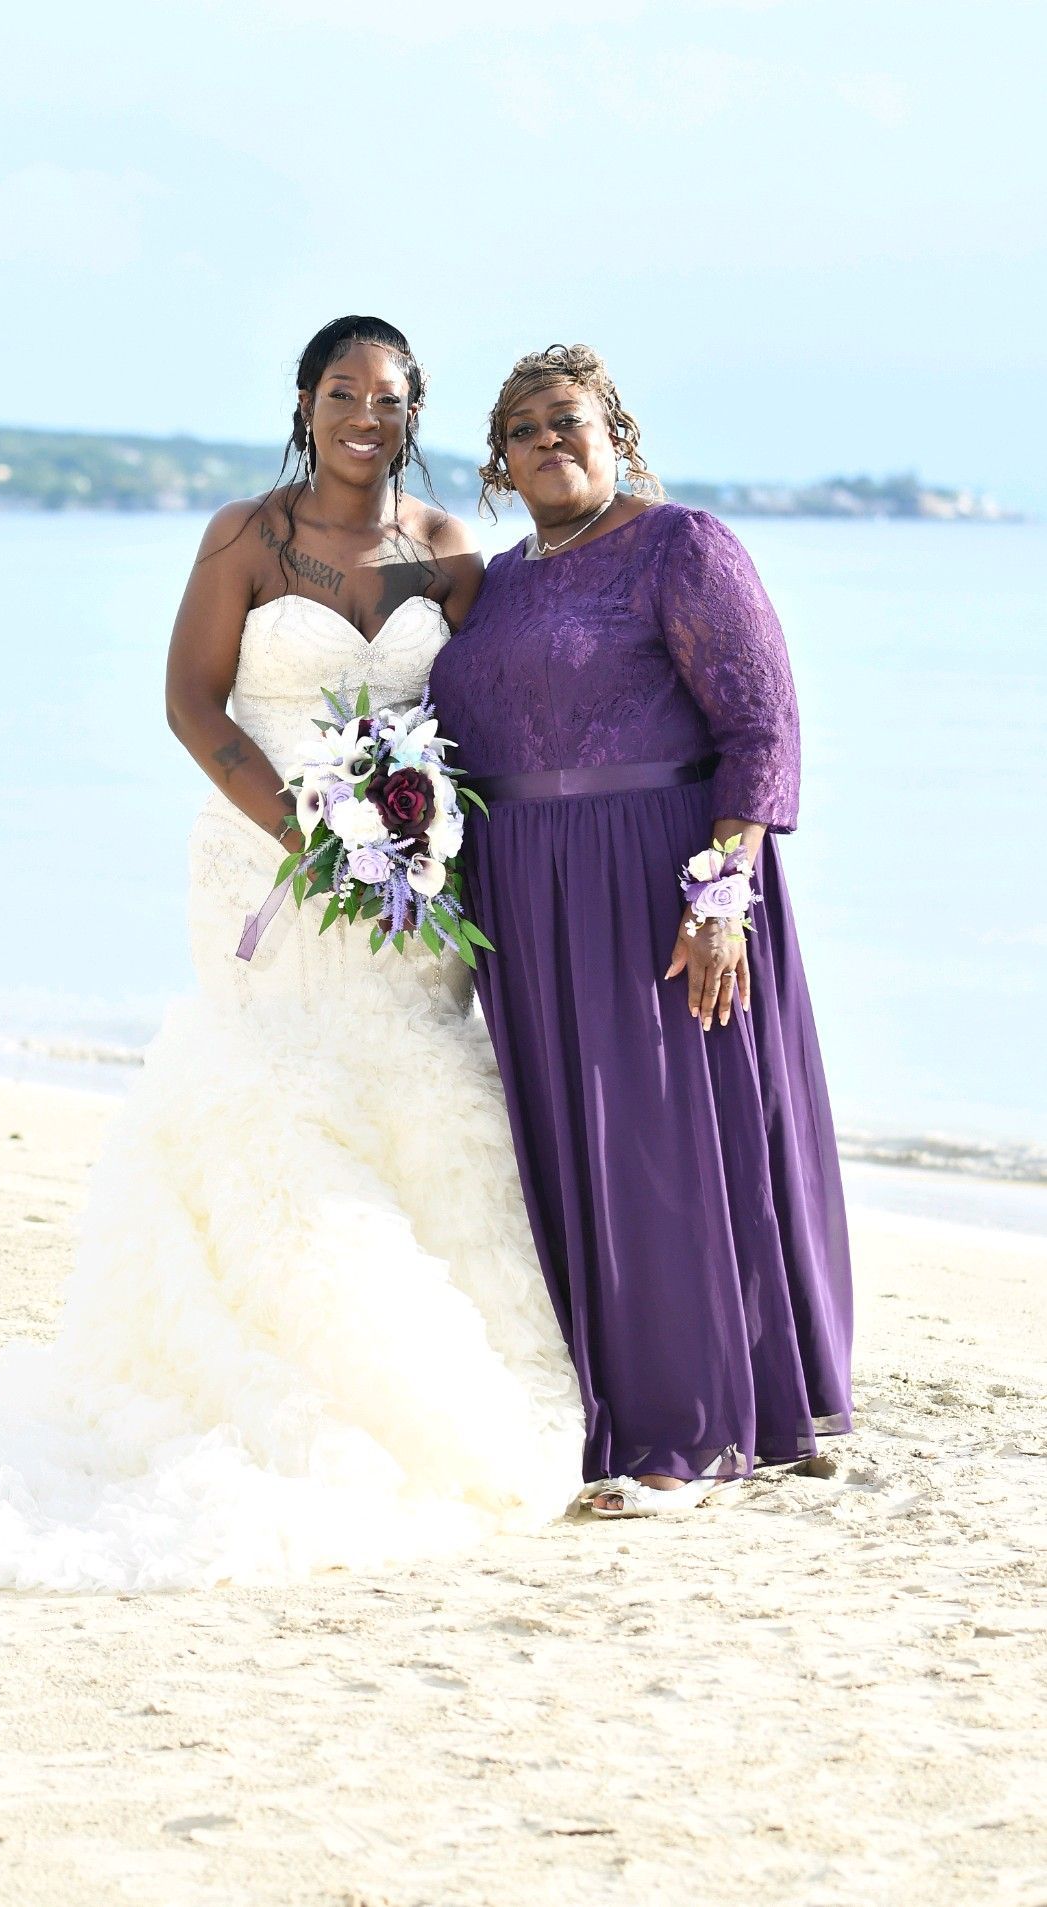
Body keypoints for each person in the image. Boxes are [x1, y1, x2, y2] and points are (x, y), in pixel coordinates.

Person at [0, 318, 582, 1592]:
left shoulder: (446, 552)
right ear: (306, 403)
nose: (363, 417)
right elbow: (191, 703)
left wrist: (433, 840)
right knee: (271, 1093)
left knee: (420, 1093)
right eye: (341, 393)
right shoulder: (245, 536)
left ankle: (456, 1362)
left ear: (412, 413)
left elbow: (477, 713)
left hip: (399, 890)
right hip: (262, 873)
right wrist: (307, 840)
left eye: (387, 398)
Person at [429, 343, 853, 1518]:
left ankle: (687, 1430)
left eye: (564, 419)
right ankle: (613, 1408)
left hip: (659, 888)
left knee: (665, 1151)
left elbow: (760, 727)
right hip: (522, 895)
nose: (546, 441)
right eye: (521, 430)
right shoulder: (496, 584)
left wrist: (721, 898)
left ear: (612, 427)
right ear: (498, 464)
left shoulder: (683, 544)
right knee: (573, 1151)